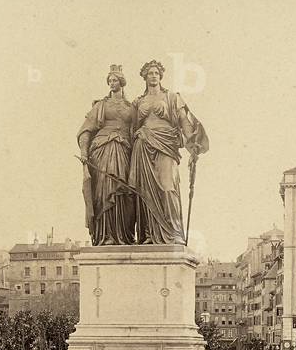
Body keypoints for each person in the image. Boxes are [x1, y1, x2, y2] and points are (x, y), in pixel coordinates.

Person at [129, 60, 208, 245]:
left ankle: (173, 232)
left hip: (165, 144)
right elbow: (129, 125)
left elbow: (184, 121)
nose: (153, 76)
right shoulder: (138, 101)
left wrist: (192, 143)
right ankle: (149, 234)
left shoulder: (172, 97)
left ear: (161, 76)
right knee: (145, 191)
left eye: (156, 73)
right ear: (144, 77)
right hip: (143, 144)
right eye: (150, 73)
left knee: (167, 186)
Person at [78, 64, 137, 245]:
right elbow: (86, 130)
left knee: (124, 191)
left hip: (124, 150)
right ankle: (107, 235)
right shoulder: (100, 106)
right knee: (105, 190)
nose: (112, 83)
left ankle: (124, 234)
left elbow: (137, 131)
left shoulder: (132, 107)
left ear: (122, 82)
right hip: (103, 150)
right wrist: (83, 152)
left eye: (115, 80)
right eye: (109, 80)